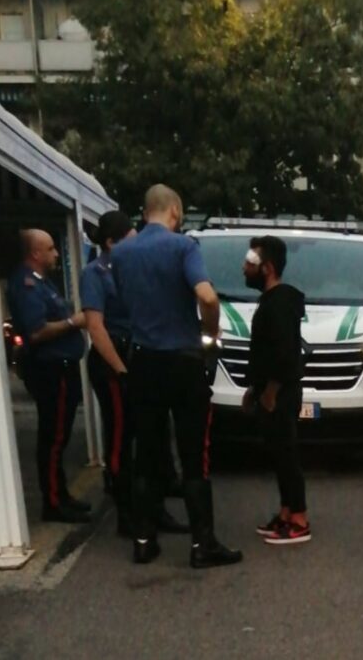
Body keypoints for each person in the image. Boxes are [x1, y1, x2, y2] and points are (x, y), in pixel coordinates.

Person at [111, 184, 242, 568]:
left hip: (143, 361)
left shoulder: (120, 254)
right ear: (173, 211)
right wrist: (211, 332)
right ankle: (203, 545)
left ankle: (143, 540)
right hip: (183, 361)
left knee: (147, 453)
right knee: (193, 454)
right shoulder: (183, 247)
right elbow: (208, 297)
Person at [80, 211, 188, 538]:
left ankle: (155, 510)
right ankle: (127, 514)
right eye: (130, 237)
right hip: (114, 361)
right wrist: (122, 370)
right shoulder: (95, 274)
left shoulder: (132, 266)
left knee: (150, 438)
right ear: (111, 242)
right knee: (121, 439)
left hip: (137, 355)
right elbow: (95, 327)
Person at [6, 229, 89, 524]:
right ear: (35, 254)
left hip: (62, 368)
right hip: (50, 370)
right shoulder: (27, 285)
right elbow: (37, 330)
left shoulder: (43, 283)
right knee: (52, 438)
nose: (56, 254)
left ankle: (61, 495)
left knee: (59, 436)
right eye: (51, 249)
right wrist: (73, 322)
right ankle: (53, 502)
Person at [242, 236, 310, 545]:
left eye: (250, 263)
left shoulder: (280, 304)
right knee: (279, 455)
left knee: (287, 453)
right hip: (268, 390)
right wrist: (252, 389)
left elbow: (285, 354)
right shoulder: (271, 301)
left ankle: (299, 518)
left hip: (280, 393)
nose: (244, 268)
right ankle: (285, 513)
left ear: (267, 268)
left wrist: (269, 391)